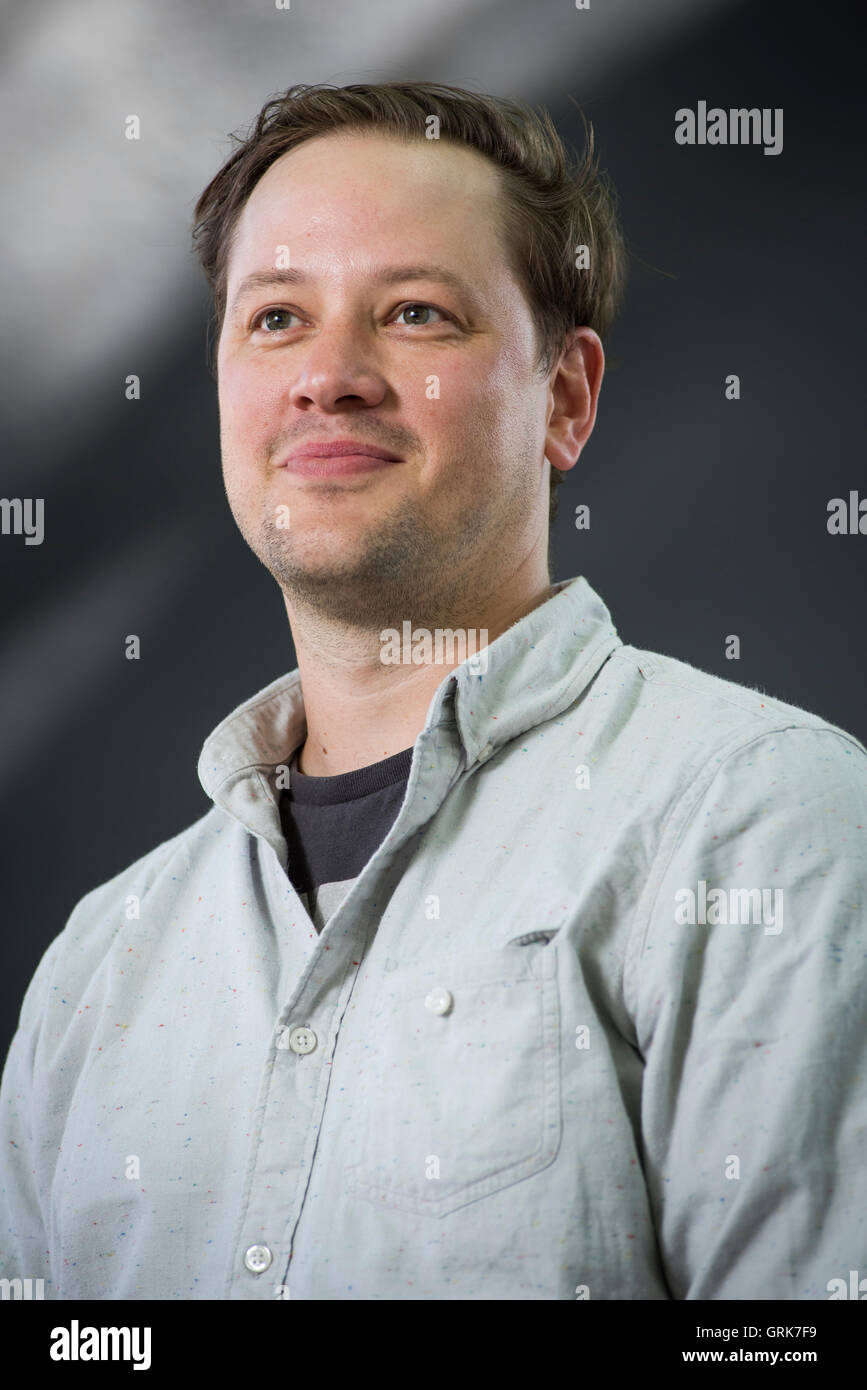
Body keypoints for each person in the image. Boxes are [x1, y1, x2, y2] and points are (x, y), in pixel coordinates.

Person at [1, 81, 865, 1302]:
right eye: (276, 319)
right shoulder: (100, 965)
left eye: (415, 312)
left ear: (565, 398)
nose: (329, 376)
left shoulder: (764, 825)